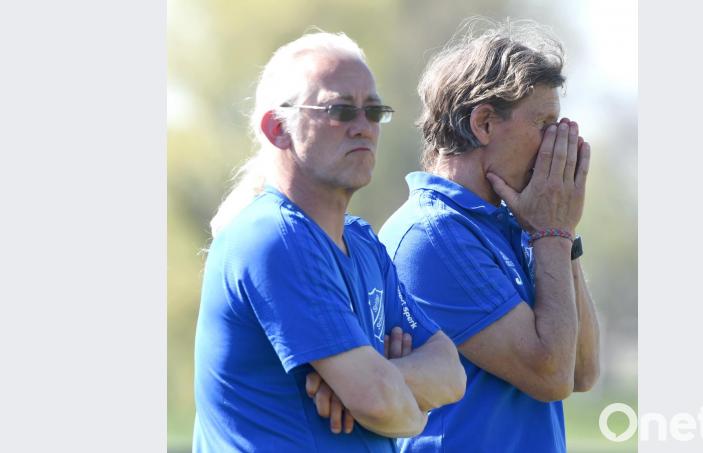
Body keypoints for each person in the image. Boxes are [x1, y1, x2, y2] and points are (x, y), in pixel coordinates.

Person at [193, 31, 466, 453]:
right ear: (277, 128)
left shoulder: (362, 242)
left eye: (374, 111)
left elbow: (451, 373)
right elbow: (377, 401)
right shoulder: (274, 237)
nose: (363, 127)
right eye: (340, 110)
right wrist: (410, 410)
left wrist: (379, 380)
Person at [378, 19, 600, 453]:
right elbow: (550, 375)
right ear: (483, 124)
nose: (557, 141)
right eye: (544, 123)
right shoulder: (434, 235)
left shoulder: (516, 224)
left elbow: (582, 371)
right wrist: (552, 231)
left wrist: (562, 233)